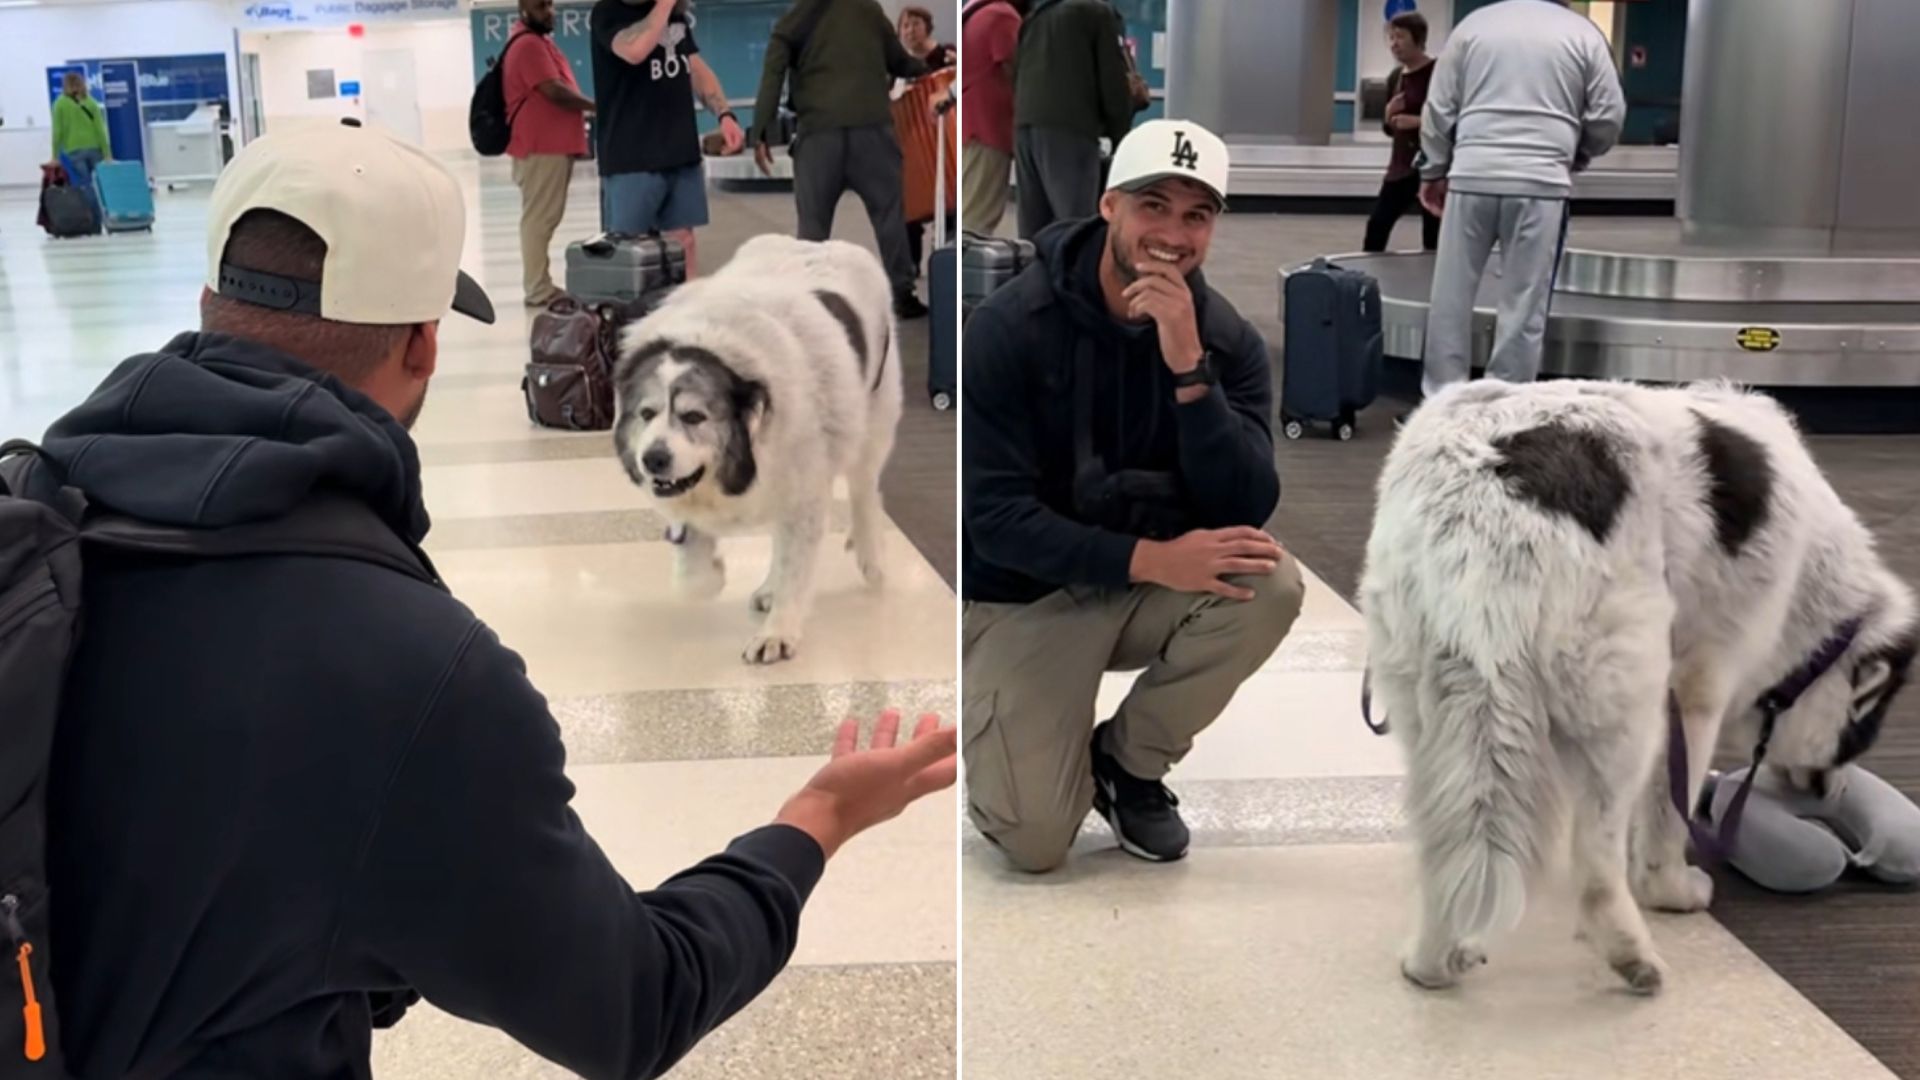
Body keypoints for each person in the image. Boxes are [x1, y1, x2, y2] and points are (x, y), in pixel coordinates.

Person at [25, 118, 956, 1078]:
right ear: (423, 346)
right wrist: (813, 822)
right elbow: (635, 1003)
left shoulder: (28, 527)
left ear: (210, 299)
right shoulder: (411, 672)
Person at [960, 119, 1304, 874]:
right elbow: (994, 522)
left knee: (1267, 579)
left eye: (1196, 215)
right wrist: (1152, 558)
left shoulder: (1224, 340)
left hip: (1149, 587)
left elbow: (1250, 499)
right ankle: (1032, 735)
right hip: (1032, 594)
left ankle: (1127, 764)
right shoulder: (1008, 328)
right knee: (1034, 842)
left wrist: (1189, 370)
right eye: (1154, 206)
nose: (1173, 234)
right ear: (1109, 205)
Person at [1417, 0, 1625, 397]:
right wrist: (1579, 150)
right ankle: (1506, 403)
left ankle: (1441, 399)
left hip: (1472, 174)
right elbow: (1608, 115)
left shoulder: (1472, 26)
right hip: (1541, 182)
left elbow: (1439, 108)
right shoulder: (1583, 34)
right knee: (1524, 303)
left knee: (1451, 295)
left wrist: (1433, 169)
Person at [749, 0, 930, 319]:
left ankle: (810, 299)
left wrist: (761, 130)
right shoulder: (869, 9)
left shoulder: (792, 21)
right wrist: (931, 66)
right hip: (872, 132)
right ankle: (902, 293)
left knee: (813, 224)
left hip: (819, 136)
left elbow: (772, 73)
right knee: (889, 215)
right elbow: (899, 61)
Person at [589, 0, 746, 277]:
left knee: (683, 243)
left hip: (679, 153)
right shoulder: (608, 13)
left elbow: (695, 68)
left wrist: (725, 114)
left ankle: (686, 313)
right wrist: (664, 5)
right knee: (629, 251)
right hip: (631, 160)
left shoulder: (676, 18)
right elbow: (634, 50)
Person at [1011, 0, 1138, 240]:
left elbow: (1015, 73)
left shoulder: (1036, 16)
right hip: (1070, 127)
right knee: (1076, 224)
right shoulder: (1097, 12)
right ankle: (1075, 278)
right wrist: (1121, 132)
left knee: (1034, 226)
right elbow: (1112, 79)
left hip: (1026, 126)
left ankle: (1035, 276)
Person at [504, 0, 595, 306]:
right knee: (539, 220)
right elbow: (554, 91)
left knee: (542, 219)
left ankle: (539, 284)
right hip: (541, 147)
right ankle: (537, 288)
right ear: (523, 9)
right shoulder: (528, 45)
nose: (550, 12)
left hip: (548, 146)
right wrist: (597, 106)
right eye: (541, 6)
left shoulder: (536, 42)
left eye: (550, 5)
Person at [1363, 11, 1439, 253]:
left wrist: (1418, 122)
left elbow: (1453, 119)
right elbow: (1390, 129)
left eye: (1401, 37)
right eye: (1391, 38)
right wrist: (1388, 116)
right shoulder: (1395, 77)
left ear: (1418, 38)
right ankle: (1367, 281)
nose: (1394, 44)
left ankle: (1432, 284)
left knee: (1434, 231)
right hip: (1401, 167)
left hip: (1432, 166)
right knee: (1378, 224)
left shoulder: (1438, 73)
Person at [896, 4, 956, 284]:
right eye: (905, 26)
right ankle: (911, 271)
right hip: (915, 148)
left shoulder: (947, 56)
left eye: (915, 25)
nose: (910, 31)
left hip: (945, 146)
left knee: (952, 210)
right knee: (910, 215)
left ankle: (947, 269)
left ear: (927, 27)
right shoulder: (897, 68)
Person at [960, 0, 1027, 236]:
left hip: (971, 125)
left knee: (969, 208)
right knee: (977, 218)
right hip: (989, 127)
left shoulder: (975, 12)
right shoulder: (1002, 15)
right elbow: (1018, 70)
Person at [49, 71, 111, 223]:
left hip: (74, 151)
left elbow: (58, 132)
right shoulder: (91, 103)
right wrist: (107, 153)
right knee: (100, 184)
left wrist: (55, 156)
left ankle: (94, 219)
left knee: (85, 185)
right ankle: (105, 216)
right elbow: (100, 130)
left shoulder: (60, 104)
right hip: (95, 149)